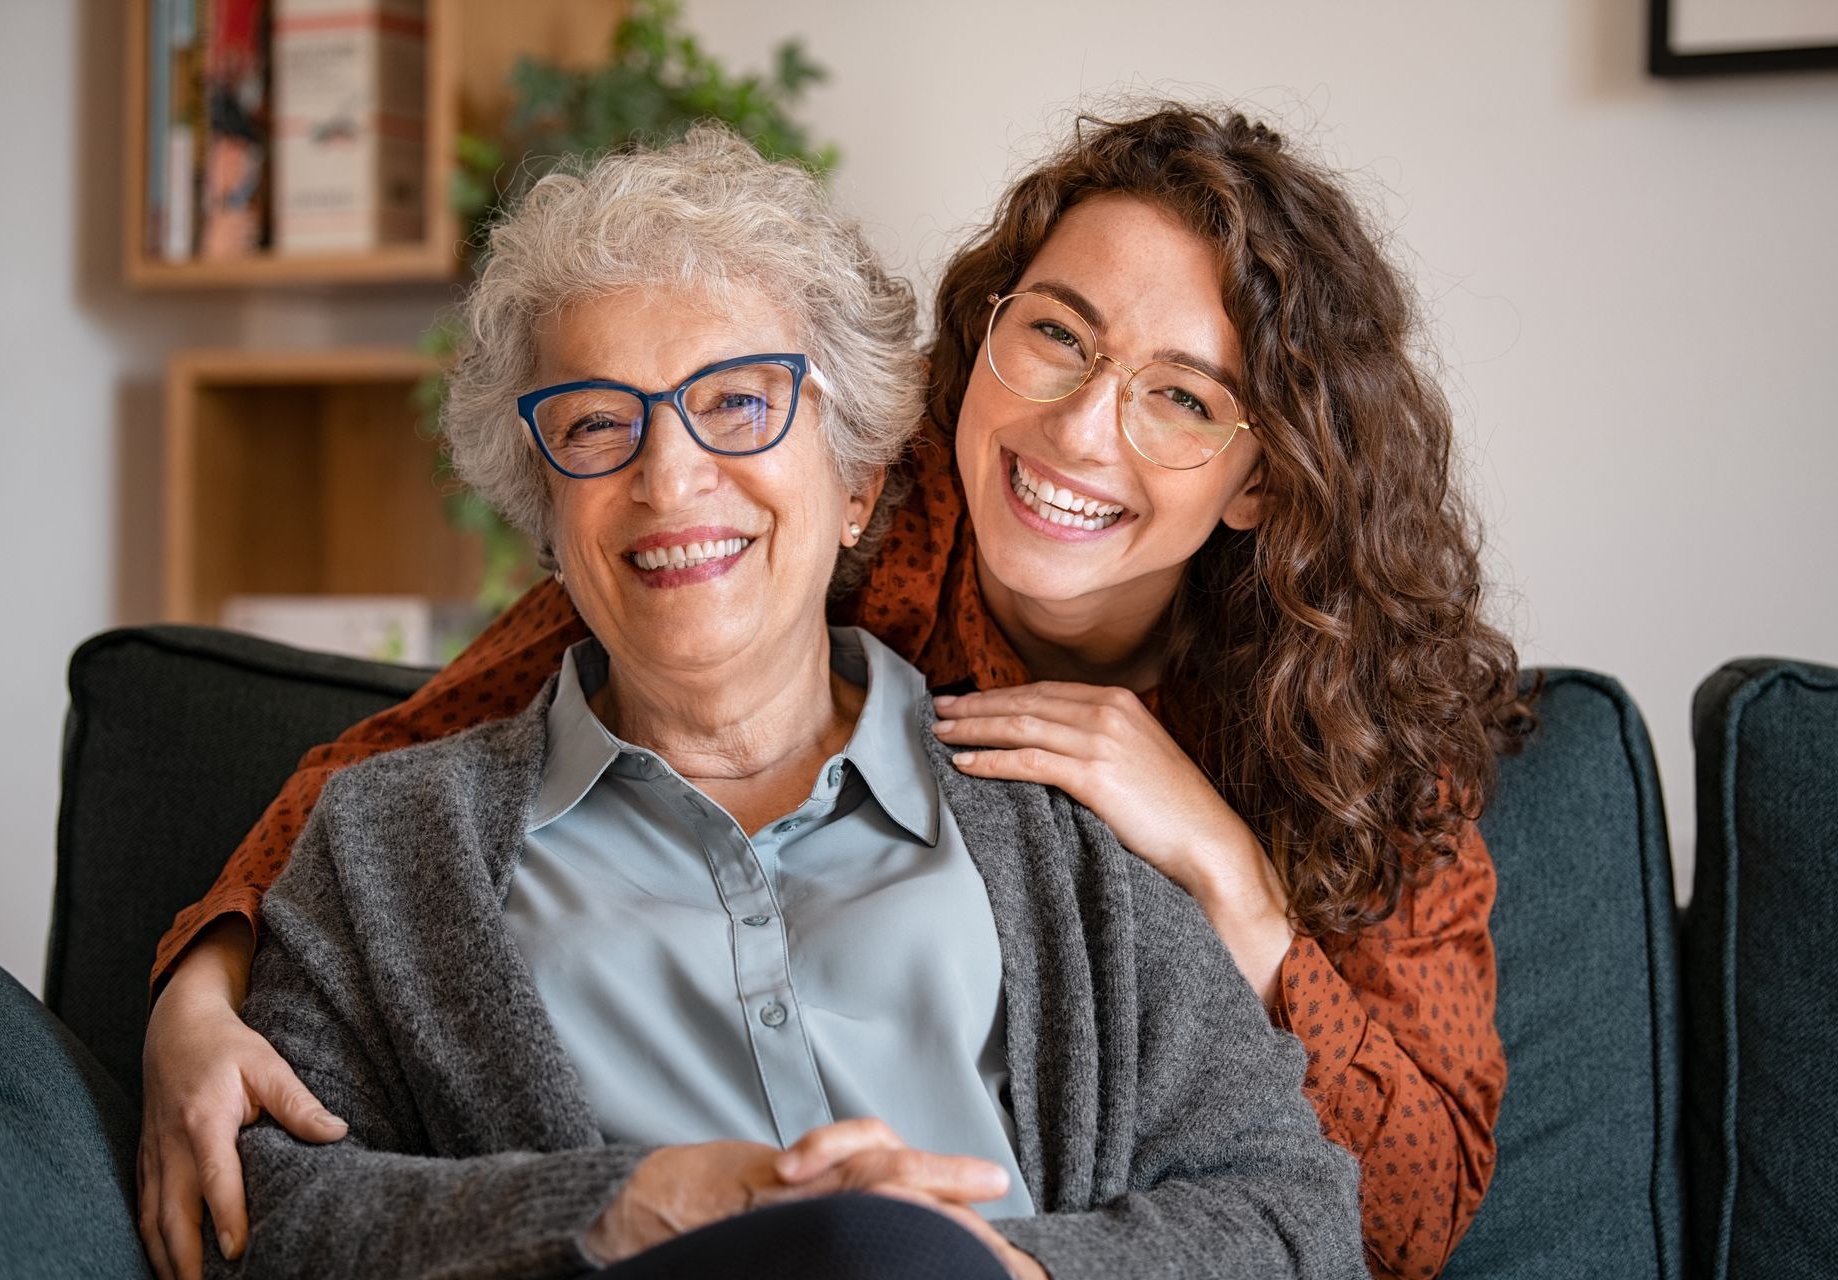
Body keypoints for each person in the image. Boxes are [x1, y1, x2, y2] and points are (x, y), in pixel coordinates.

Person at [142, 104, 1530, 1280]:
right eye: (1057, 335)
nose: (1079, 429)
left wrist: (1228, 882)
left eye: (1183, 397)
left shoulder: (1230, 792)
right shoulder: (429, 822)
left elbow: (1346, 1213)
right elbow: (404, 765)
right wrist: (202, 982)